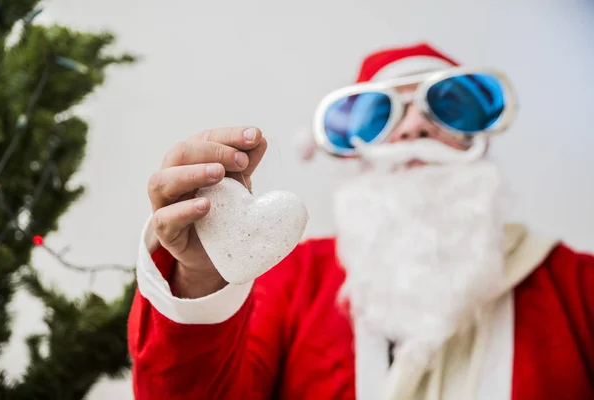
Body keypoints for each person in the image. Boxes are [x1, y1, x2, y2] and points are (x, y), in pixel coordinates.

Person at [127, 43, 594, 400]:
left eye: (448, 106)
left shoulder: (577, 286)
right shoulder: (293, 277)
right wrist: (202, 279)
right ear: (354, 152)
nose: (414, 129)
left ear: (481, 139)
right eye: (381, 113)